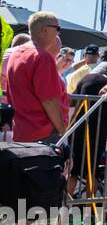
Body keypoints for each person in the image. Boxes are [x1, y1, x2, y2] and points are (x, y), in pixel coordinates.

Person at [3, 12, 69, 143]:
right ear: (45, 29)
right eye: (57, 29)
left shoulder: (16, 54)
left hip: (21, 131)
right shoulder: (42, 57)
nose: (58, 33)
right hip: (43, 133)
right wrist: (62, 130)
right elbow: (49, 99)